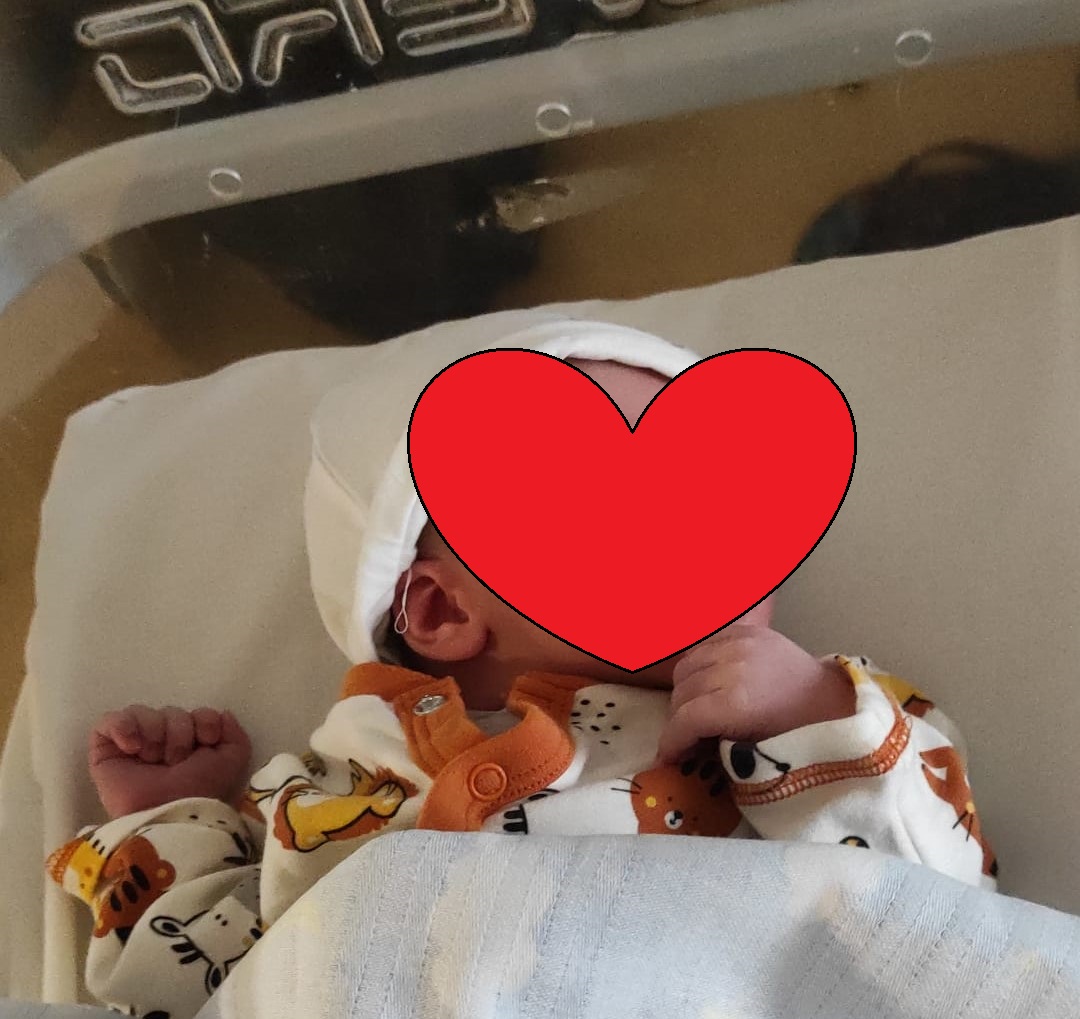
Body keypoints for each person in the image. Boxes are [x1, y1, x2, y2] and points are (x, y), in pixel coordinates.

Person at [47, 334, 996, 1019]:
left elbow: (939, 923)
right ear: (440, 613)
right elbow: (192, 982)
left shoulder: (798, 720)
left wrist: (813, 715)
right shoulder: (329, 785)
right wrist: (170, 820)